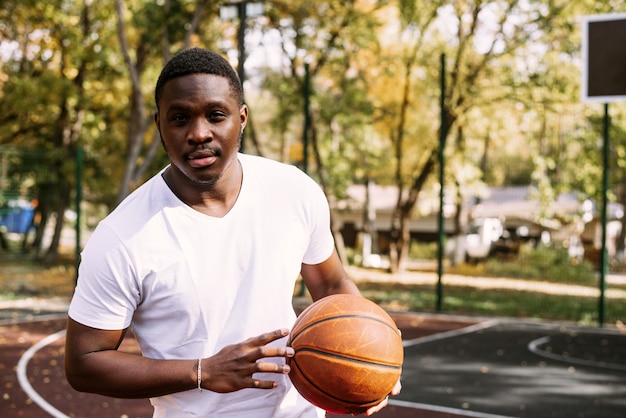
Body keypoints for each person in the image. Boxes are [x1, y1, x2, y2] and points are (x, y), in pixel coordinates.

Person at [64, 47, 400, 418]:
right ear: (159, 125)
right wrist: (203, 372)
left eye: (216, 115)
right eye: (179, 118)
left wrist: (367, 358)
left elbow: (332, 284)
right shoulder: (122, 237)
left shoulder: (294, 191)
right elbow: (84, 362)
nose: (198, 133)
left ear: (241, 119)